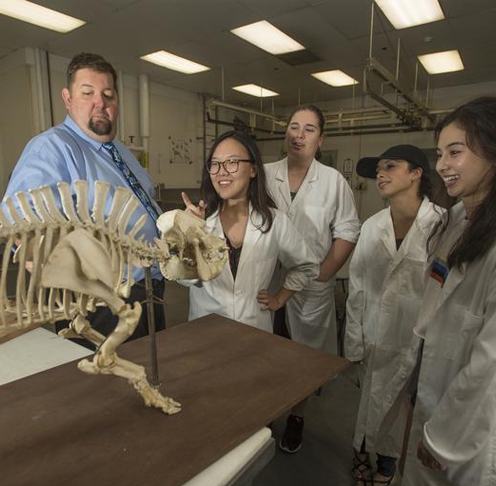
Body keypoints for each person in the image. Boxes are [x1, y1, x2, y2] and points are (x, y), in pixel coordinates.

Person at [2, 52, 164, 346]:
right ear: (67, 98)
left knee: (150, 372)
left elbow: (146, 205)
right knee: (104, 387)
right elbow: (19, 220)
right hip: (101, 304)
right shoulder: (52, 147)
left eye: (108, 94)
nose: (99, 102)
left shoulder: (123, 153)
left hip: (150, 290)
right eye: (87, 93)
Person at [397, 96, 496, 486]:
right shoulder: (457, 220)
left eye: (455, 152)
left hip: (466, 434)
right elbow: (434, 308)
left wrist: (444, 438)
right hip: (432, 393)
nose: (442, 165)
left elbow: (491, 368)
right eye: (440, 153)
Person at [344, 145, 443, 486]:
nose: (380, 175)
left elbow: (443, 294)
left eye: (390, 167)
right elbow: (356, 287)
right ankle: (362, 457)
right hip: (373, 334)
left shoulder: (441, 226)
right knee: (368, 403)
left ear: (416, 173)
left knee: (399, 410)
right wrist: (353, 341)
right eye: (378, 169)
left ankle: (386, 468)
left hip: (412, 341)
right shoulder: (372, 226)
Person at [265, 104, 360, 453]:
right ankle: (262, 412)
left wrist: (323, 275)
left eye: (308, 129)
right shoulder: (263, 174)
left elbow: (348, 229)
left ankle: (296, 416)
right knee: (262, 352)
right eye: (293, 127)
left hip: (309, 288)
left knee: (301, 359)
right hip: (266, 283)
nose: (298, 135)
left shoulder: (333, 181)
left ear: (321, 139)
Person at [180, 130, 318, 331]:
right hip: (205, 329)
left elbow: (307, 266)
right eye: (215, 164)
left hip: (254, 328)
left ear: (253, 169)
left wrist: (279, 299)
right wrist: (191, 237)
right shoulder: (199, 221)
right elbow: (185, 279)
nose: (222, 171)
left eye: (232, 162)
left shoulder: (275, 222)